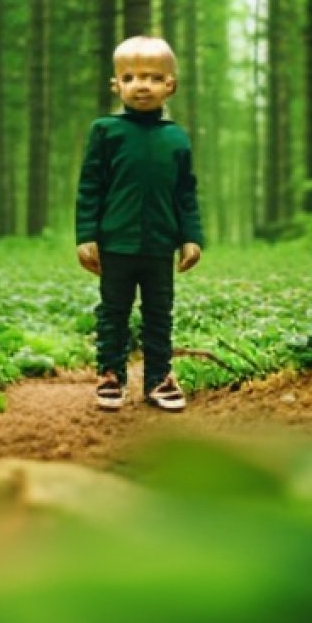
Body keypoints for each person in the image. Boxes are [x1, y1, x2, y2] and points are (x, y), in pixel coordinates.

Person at [75, 35, 203, 412]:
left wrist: (190, 237)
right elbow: (90, 187)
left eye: (151, 77)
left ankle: (159, 378)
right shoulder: (105, 131)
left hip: (159, 245)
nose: (140, 85)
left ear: (170, 86)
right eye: (129, 77)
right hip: (115, 243)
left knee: (159, 313)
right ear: (116, 85)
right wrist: (86, 235)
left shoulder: (176, 137)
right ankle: (111, 375)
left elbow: (185, 193)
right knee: (113, 311)